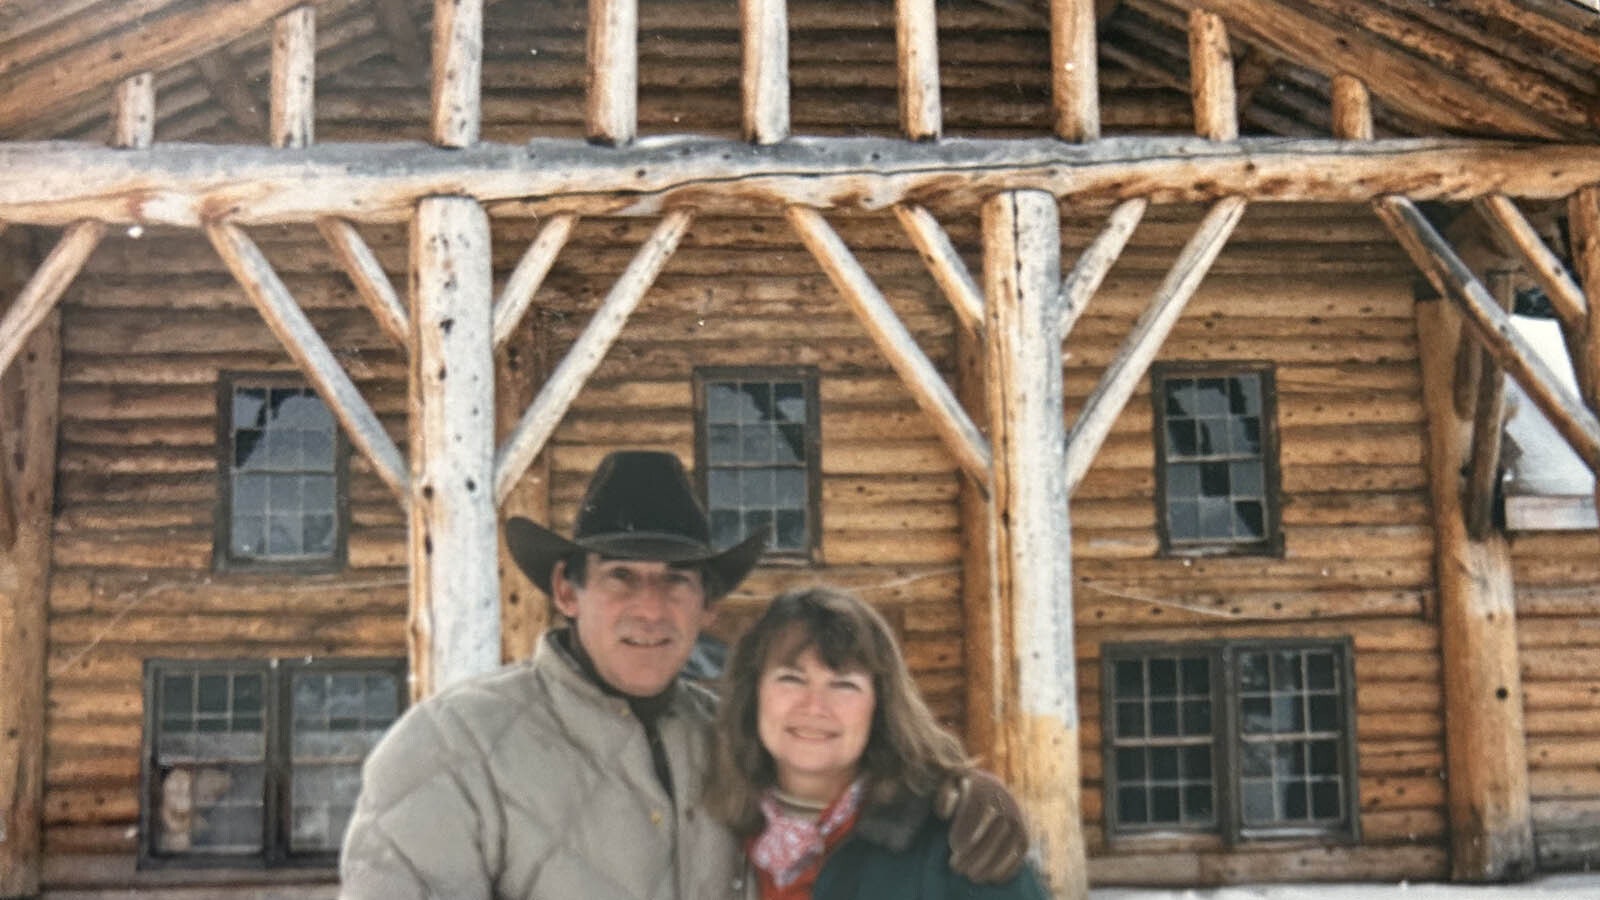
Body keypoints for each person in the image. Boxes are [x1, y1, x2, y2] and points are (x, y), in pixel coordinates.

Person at [339, 450, 1028, 899]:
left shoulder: (727, 737)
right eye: (620, 577)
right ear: (567, 590)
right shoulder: (451, 747)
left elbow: (848, 784)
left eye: (676, 579)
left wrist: (964, 793)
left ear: (708, 606)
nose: (650, 606)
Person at [712, 586, 1049, 900]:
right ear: (753, 694)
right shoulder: (708, 828)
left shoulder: (959, 842)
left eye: (843, 685)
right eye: (791, 679)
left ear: (880, 705)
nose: (814, 706)